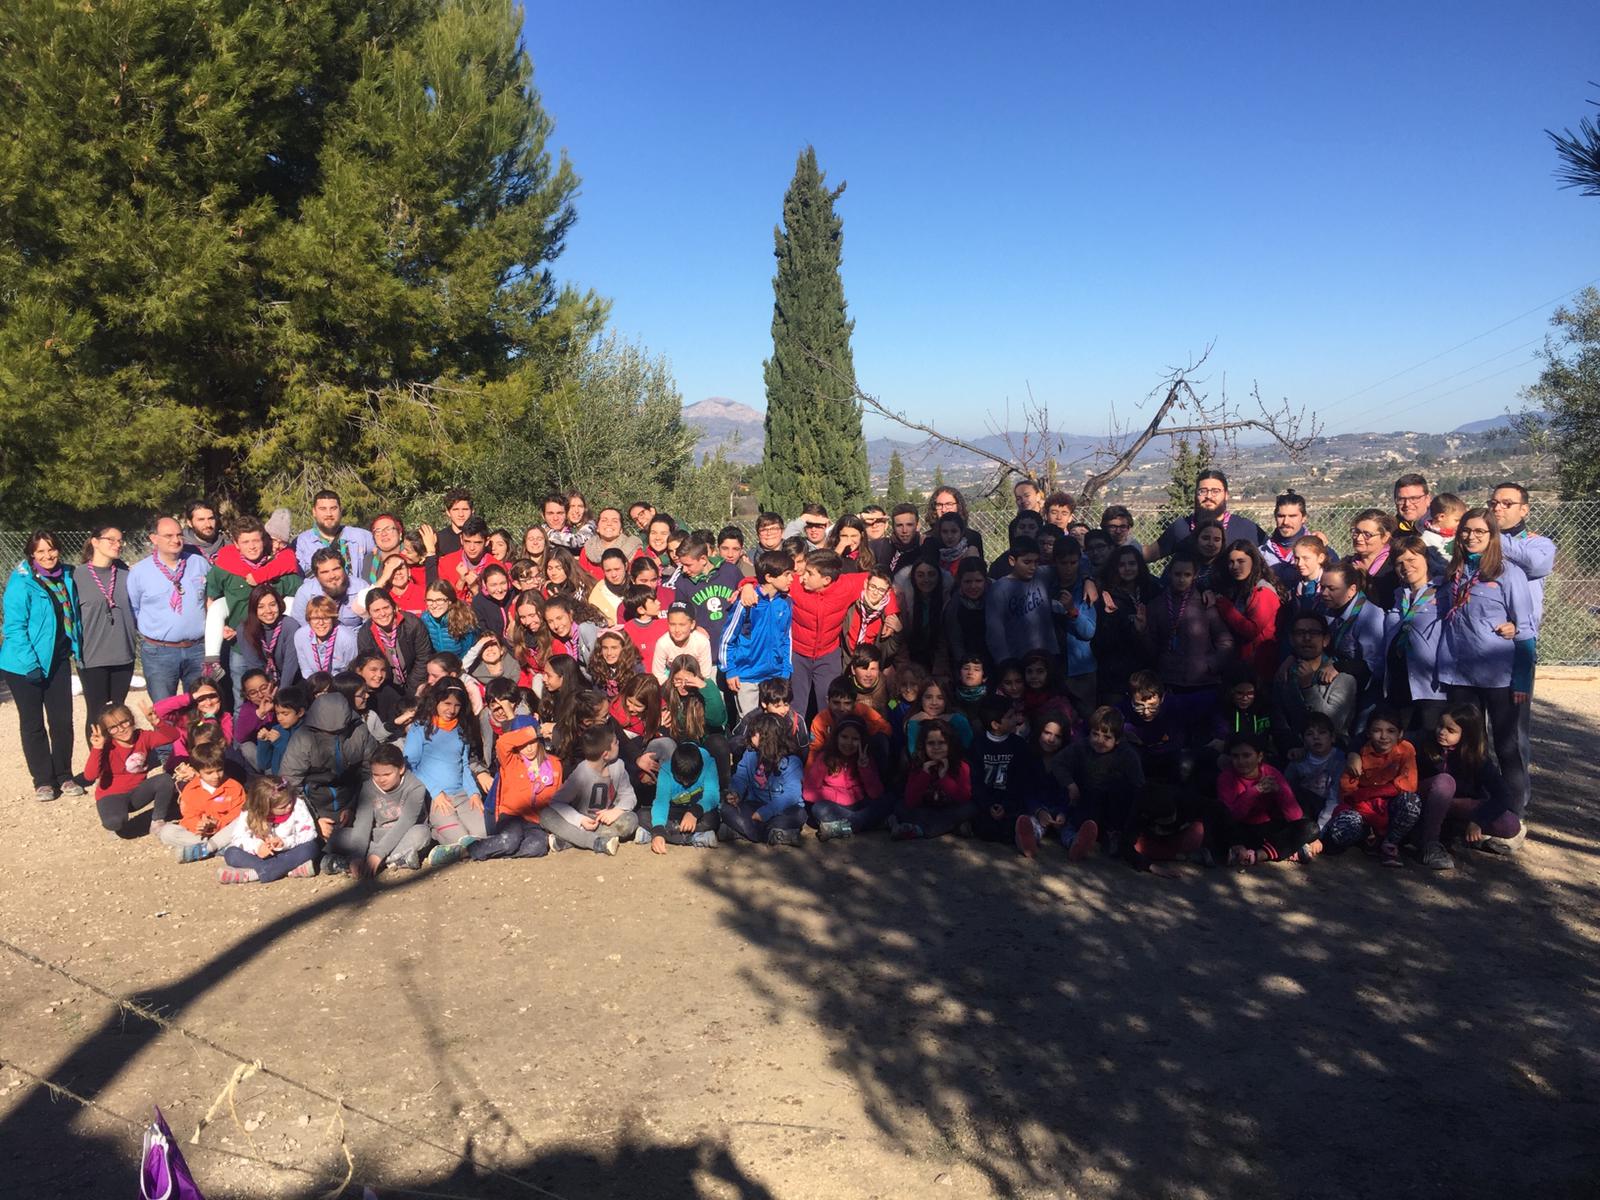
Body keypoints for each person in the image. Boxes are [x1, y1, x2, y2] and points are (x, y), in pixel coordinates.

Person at [1435, 508, 1534, 829]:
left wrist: (1522, 680)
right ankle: (1474, 812)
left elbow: (1525, 629)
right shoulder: (1455, 572)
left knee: (1506, 747)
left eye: (1480, 531)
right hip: (1459, 673)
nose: (1471, 536)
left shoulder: (1508, 573)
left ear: (1493, 536)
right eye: (1466, 530)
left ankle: (1513, 817)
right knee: (1468, 748)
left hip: (1498, 677)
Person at [1490, 479, 1555, 823]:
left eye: (1507, 503)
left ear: (1524, 509)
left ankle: (1516, 806)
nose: (1498, 508)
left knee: (1514, 732)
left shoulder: (1539, 543)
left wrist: (1493, 539)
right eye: (1494, 503)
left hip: (1518, 649)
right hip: (1481, 648)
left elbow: (1536, 565)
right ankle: (1487, 799)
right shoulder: (1480, 545)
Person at [202, 516, 302, 704]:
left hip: (274, 646)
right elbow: (211, 598)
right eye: (246, 542)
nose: (252, 546)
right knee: (242, 701)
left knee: (279, 697)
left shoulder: (277, 566)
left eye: (256, 540)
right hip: (240, 647)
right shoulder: (225, 568)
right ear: (236, 544)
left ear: (263, 540)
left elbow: (299, 591)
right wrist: (220, 626)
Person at [1307, 706, 1421, 868]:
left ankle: (1390, 843)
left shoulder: (1406, 750)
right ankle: (1368, 840)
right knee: (1341, 830)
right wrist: (1375, 820)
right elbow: (1348, 793)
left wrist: (1371, 793)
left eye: (1391, 731)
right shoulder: (1358, 754)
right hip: (1361, 809)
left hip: (1389, 807)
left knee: (1411, 801)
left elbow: (1409, 784)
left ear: (1400, 734)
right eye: (1377, 730)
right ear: (1368, 733)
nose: (1384, 737)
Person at [1414, 702, 1521, 870]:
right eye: (1440, 726)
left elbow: (1503, 795)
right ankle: (1430, 844)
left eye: (1450, 730)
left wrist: (1478, 820)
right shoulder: (1424, 743)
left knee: (1511, 824)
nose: (1442, 732)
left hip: (1456, 806)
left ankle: (1453, 834)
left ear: (1466, 735)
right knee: (1445, 782)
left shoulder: (1477, 759)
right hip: (1425, 798)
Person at [1046, 706, 1147, 863]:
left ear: (1117, 739)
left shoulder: (1128, 755)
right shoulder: (1082, 747)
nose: (1099, 741)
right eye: (1095, 734)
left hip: (1114, 807)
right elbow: (1058, 762)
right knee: (1073, 820)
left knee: (1121, 789)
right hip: (1085, 800)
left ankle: (1113, 836)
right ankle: (1078, 840)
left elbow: (1139, 786)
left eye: (1107, 737)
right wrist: (1070, 784)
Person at [128, 516, 210, 703]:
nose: (176, 540)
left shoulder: (199, 564)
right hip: (159, 653)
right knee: (164, 709)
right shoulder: (140, 572)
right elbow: (134, 609)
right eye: (168, 536)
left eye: (179, 535)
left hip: (197, 649)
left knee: (199, 708)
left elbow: (210, 599)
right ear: (154, 538)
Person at [405, 679, 486, 856]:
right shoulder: (420, 727)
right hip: (436, 798)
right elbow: (411, 765)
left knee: (483, 836)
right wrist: (435, 792)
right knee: (461, 842)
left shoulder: (461, 729)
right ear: (436, 701)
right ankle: (436, 833)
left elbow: (464, 765)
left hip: (462, 795)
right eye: (447, 703)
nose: (451, 710)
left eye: (457, 705)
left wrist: (473, 792)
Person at [324, 742, 431, 875]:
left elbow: (405, 824)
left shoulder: (415, 787)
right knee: (337, 836)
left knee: (422, 833)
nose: (381, 780)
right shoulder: (368, 787)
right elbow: (363, 824)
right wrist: (357, 855)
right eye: (376, 775)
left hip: (405, 833)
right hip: (376, 834)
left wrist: (377, 854)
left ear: (401, 769)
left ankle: (359, 862)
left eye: (387, 774)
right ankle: (395, 859)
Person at [279, 691, 377, 837]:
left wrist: (354, 806)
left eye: (340, 731)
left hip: (353, 799)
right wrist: (313, 819)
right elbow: (290, 782)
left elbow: (370, 772)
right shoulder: (303, 738)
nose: (334, 735)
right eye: (328, 732)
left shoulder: (359, 731)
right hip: (314, 803)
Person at [1214, 732, 1314, 867]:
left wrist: (1279, 791)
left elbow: (1295, 816)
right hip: (1240, 830)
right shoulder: (1226, 777)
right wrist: (1255, 791)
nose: (1241, 761)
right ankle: (1287, 850)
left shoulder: (1271, 773)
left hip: (1268, 829)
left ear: (1259, 756)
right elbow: (1233, 816)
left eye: (1246, 755)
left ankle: (1258, 855)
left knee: (1310, 828)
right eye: (1235, 756)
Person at [74, 526, 137, 737]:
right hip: (92, 657)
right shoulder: (77, 576)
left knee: (119, 713)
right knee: (97, 713)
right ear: (95, 542)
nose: (117, 544)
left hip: (123, 654)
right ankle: (98, 755)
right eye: (111, 540)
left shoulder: (127, 574)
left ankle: (120, 755)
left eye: (120, 540)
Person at [84, 700, 181, 835]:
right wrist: (97, 748)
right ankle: (117, 814)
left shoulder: (143, 737)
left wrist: (157, 722)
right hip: (111, 795)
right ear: (108, 732)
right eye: (113, 727)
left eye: (124, 722)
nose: (121, 729)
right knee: (115, 822)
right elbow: (90, 776)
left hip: (137, 792)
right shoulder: (107, 746)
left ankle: (157, 821)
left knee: (165, 780)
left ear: (132, 720)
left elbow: (173, 736)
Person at [1382, 536, 1447, 732]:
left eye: (1412, 560)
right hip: (1399, 684)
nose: (1406, 567)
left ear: (1426, 559)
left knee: (1427, 742)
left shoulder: (1444, 592)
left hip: (1431, 687)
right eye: (1399, 563)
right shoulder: (1398, 595)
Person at [720, 550, 795, 718]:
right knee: (750, 723)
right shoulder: (746, 601)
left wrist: (785, 671)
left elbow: (787, 639)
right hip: (747, 676)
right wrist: (730, 670)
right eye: (787, 574)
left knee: (776, 721)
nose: (791, 578)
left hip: (775, 675)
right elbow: (727, 639)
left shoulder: (786, 602)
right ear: (769, 577)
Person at [1144, 552, 1233, 691]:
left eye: (1187, 575)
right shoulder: (1156, 605)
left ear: (1195, 576)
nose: (1181, 579)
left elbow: (1225, 640)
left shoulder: (1205, 602)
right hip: (1168, 682)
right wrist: (1141, 632)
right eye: (1177, 574)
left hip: (1203, 683)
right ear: (1169, 574)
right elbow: (1151, 646)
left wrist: (1211, 665)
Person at [1272, 614, 1359, 747]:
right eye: (1300, 633)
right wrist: (1291, 747)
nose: (1307, 638)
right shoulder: (1284, 674)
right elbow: (1279, 722)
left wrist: (1308, 688)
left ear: (1326, 640)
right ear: (1291, 640)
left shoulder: (1343, 678)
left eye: (1314, 633)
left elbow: (1333, 724)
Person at [720, 712, 807, 846]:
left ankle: (745, 832)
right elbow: (741, 777)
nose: (751, 736)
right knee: (726, 809)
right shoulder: (750, 754)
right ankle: (773, 835)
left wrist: (765, 812)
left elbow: (791, 795)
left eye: (755, 733)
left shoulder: (792, 762)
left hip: (782, 808)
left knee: (798, 815)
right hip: (755, 804)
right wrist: (736, 793)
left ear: (768, 737)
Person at [215, 775, 319, 884]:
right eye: (282, 807)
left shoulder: (297, 804)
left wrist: (284, 842)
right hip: (261, 855)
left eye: (289, 801)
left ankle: (253, 874)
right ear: (265, 808)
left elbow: (309, 832)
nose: (289, 806)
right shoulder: (250, 812)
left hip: (288, 851)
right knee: (231, 853)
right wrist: (258, 846)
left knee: (311, 847)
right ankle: (288, 870)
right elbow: (239, 836)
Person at [1210, 540, 1283, 688]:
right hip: (1244, 663)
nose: (1235, 567)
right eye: (1231, 562)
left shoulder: (1263, 591)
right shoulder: (1240, 588)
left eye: (1241, 561)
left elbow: (1251, 629)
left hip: (1260, 666)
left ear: (1254, 562)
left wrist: (1223, 604)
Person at [802, 715, 888, 840]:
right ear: (836, 737)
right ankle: (864, 824)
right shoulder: (825, 758)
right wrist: (839, 796)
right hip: (834, 806)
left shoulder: (865, 758)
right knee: (819, 809)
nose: (849, 743)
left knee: (886, 801)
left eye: (855, 739)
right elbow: (808, 792)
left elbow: (875, 793)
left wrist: (865, 768)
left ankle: (843, 827)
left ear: (862, 741)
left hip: (859, 804)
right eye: (844, 737)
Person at [1147, 470, 1264, 562]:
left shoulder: (1246, 528)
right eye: (1203, 491)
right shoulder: (1181, 527)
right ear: (1195, 494)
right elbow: (1149, 554)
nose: (1208, 496)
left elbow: (1270, 557)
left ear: (1226, 495)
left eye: (1215, 491)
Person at [162, 739, 248, 862]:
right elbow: (189, 816)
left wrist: (217, 824)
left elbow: (238, 814)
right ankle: (218, 848)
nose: (216, 776)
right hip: (201, 836)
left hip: (225, 830)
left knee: (245, 820)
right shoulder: (191, 789)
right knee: (166, 832)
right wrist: (199, 825)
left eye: (219, 770)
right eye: (209, 773)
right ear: (197, 772)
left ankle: (206, 849)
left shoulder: (234, 787)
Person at [890, 718, 975, 840]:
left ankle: (920, 829)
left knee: (970, 808)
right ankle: (952, 827)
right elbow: (910, 801)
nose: (936, 747)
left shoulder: (961, 766)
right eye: (931, 743)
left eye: (941, 743)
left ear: (950, 744)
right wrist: (924, 775)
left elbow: (963, 798)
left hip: (949, 810)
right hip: (925, 810)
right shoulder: (918, 764)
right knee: (900, 806)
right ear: (924, 745)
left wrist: (944, 778)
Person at [645, 741, 720, 851]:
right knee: (643, 815)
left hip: (698, 810)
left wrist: (694, 812)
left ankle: (668, 833)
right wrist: (658, 831)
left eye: (691, 780)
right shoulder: (666, 769)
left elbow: (712, 795)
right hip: (674, 811)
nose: (685, 783)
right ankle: (695, 837)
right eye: (680, 779)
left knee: (713, 818)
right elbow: (661, 802)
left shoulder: (709, 764)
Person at [357, 587, 434, 693]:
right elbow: (368, 666)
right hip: (384, 686)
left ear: (394, 607)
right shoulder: (365, 634)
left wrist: (412, 689)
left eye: (386, 608)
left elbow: (423, 657)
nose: (382, 614)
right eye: (376, 610)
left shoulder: (412, 624)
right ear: (369, 613)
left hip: (415, 682)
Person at [294, 490, 377, 580]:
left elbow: (384, 551)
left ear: (340, 510)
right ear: (314, 512)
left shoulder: (360, 536)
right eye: (323, 509)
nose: (329, 514)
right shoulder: (302, 542)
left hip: (355, 588)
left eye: (333, 508)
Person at [289, 547, 367, 629]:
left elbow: (369, 626)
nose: (332, 576)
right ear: (316, 576)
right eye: (325, 572)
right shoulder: (305, 593)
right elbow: (301, 628)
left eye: (336, 569)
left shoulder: (361, 588)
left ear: (343, 569)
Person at [435, 516, 499, 602]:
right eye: (467, 541)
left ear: (487, 541)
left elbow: (496, 606)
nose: (472, 548)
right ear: (461, 539)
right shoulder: (446, 563)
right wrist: (461, 582)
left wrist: (475, 589)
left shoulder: (496, 567)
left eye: (477, 542)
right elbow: (443, 602)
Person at [294, 595, 357, 678]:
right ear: (309, 620)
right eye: (315, 618)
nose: (321, 623)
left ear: (333, 619)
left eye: (326, 618)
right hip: (314, 682)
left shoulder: (347, 638)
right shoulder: (301, 636)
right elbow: (306, 670)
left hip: (341, 682)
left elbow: (351, 673)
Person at [1347, 509, 1398, 608]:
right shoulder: (1347, 565)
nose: (1359, 538)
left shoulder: (1394, 567)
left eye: (1367, 535)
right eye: (1356, 532)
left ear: (1385, 537)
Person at [421, 579, 482, 660]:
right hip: (437, 662)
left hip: (461, 662)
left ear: (449, 601)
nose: (434, 605)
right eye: (430, 600)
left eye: (439, 600)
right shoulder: (425, 619)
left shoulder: (463, 618)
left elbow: (469, 650)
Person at [578, 507, 643, 581]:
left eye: (615, 521)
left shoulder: (633, 549)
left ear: (621, 529)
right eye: (604, 520)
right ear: (597, 528)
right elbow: (581, 579)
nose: (609, 524)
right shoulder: (588, 549)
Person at [432, 488, 476, 558]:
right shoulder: (439, 539)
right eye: (455, 510)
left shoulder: (480, 537)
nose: (461, 514)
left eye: (465, 509)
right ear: (448, 512)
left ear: (472, 511)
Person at [1392, 472, 1432, 537]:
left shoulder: (1441, 529)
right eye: (1401, 499)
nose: (1407, 504)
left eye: (1413, 498)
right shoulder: (1390, 532)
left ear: (1427, 499)